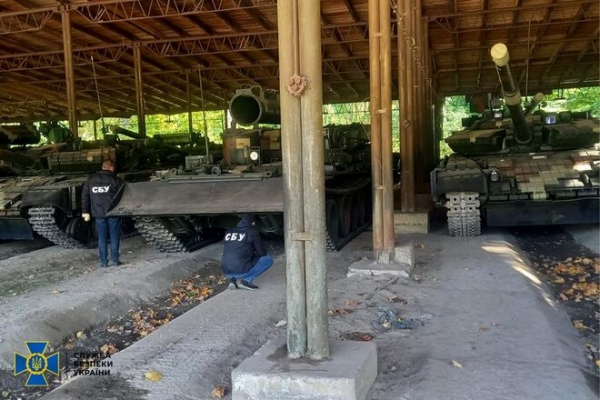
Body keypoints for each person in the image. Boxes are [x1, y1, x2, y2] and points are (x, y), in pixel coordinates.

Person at [81, 160, 125, 268]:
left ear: (103, 167)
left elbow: (85, 196)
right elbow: (122, 196)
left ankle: (104, 262)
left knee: (102, 238)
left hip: (98, 213)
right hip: (113, 212)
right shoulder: (116, 180)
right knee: (114, 236)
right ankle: (115, 260)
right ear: (112, 168)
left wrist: (85, 211)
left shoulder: (91, 179)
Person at [221, 214, 273, 291]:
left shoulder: (229, 232)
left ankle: (232, 280)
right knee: (268, 259)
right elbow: (262, 253)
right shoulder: (252, 232)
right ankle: (246, 280)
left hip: (226, 270)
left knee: (236, 258)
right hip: (240, 270)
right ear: (253, 223)